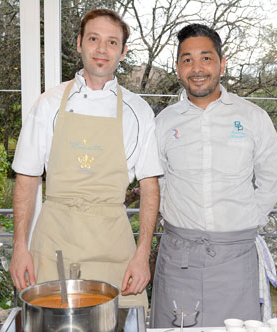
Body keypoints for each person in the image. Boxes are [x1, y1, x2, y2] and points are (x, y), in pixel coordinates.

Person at [9, 9, 162, 309]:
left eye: (112, 42)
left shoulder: (139, 111)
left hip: (113, 250)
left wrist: (142, 255)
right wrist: (19, 247)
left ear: (123, 52)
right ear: (79, 43)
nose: (102, 49)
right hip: (54, 245)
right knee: (51, 331)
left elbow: (150, 187)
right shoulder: (48, 104)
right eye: (94, 39)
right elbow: (26, 178)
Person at [150, 24, 277, 327]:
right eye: (187, 60)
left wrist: (249, 219)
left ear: (222, 64)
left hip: (236, 258)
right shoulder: (164, 122)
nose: (197, 68)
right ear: (178, 68)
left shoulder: (252, 117)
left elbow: (274, 177)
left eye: (206, 58)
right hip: (179, 257)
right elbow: (156, 182)